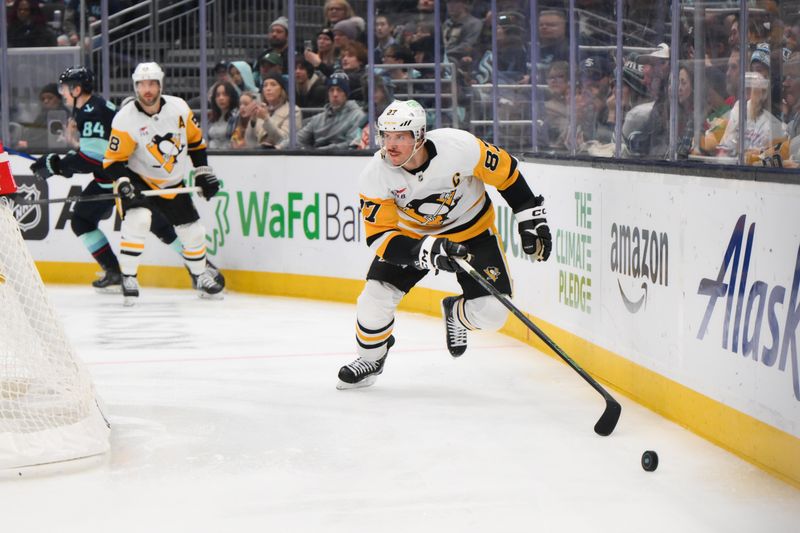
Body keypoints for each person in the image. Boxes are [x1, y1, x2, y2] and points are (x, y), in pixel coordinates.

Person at [336, 99, 552, 389]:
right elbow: (381, 236)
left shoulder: (459, 147)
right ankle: (372, 359)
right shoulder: (376, 174)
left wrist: (528, 215)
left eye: (400, 136)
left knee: (492, 314)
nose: (391, 145)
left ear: (420, 136)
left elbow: (506, 172)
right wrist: (424, 250)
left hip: (473, 231)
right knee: (373, 299)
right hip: (412, 237)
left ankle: (457, 314)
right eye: (386, 136)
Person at [29, 66, 185, 292]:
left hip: (128, 178)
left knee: (157, 223)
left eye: (65, 87)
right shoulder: (90, 108)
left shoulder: (92, 111)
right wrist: (61, 162)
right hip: (109, 179)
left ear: (77, 89)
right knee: (82, 221)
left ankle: (200, 266)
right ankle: (114, 272)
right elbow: (95, 154)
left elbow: (94, 158)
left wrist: (56, 165)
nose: (62, 92)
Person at [103, 62, 225, 305]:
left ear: (160, 85)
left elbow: (196, 144)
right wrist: (125, 182)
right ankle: (129, 277)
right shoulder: (125, 119)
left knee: (193, 232)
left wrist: (202, 173)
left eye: (151, 84)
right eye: (141, 84)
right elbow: (114, 162)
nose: (146, 89)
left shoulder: (179, 108)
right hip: (140, 178)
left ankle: (200, 276)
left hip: (173, 181)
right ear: (135, 87)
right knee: (139, 220)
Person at [286, 72, 365, 150]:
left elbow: (351, 144)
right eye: (331, 90)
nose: (335, 94)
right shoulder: (318, 119)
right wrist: (278, 147)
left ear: (346, 94)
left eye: (339, 90)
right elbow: (298, 138)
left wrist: (319, 151)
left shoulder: (357, 116)